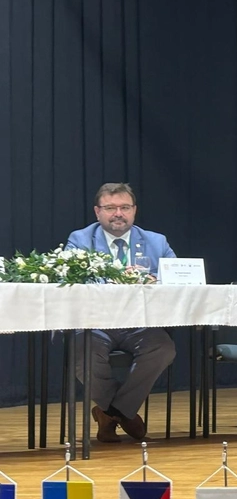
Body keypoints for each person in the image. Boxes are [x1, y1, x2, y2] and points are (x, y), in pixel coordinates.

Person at [66, 183, 177, 443]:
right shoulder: (80, 240)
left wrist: (155, 281)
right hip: (95, 323)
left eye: (125, 207)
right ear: (97, 212)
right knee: (83, 355)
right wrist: (114, 280)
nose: (118, 214)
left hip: (139, 323)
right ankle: (124, 413)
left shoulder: (156, 241)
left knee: (163, 349)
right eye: (110, 208)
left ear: (134, 210)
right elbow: (71, 281)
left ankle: (112, 412)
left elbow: (177, 280)